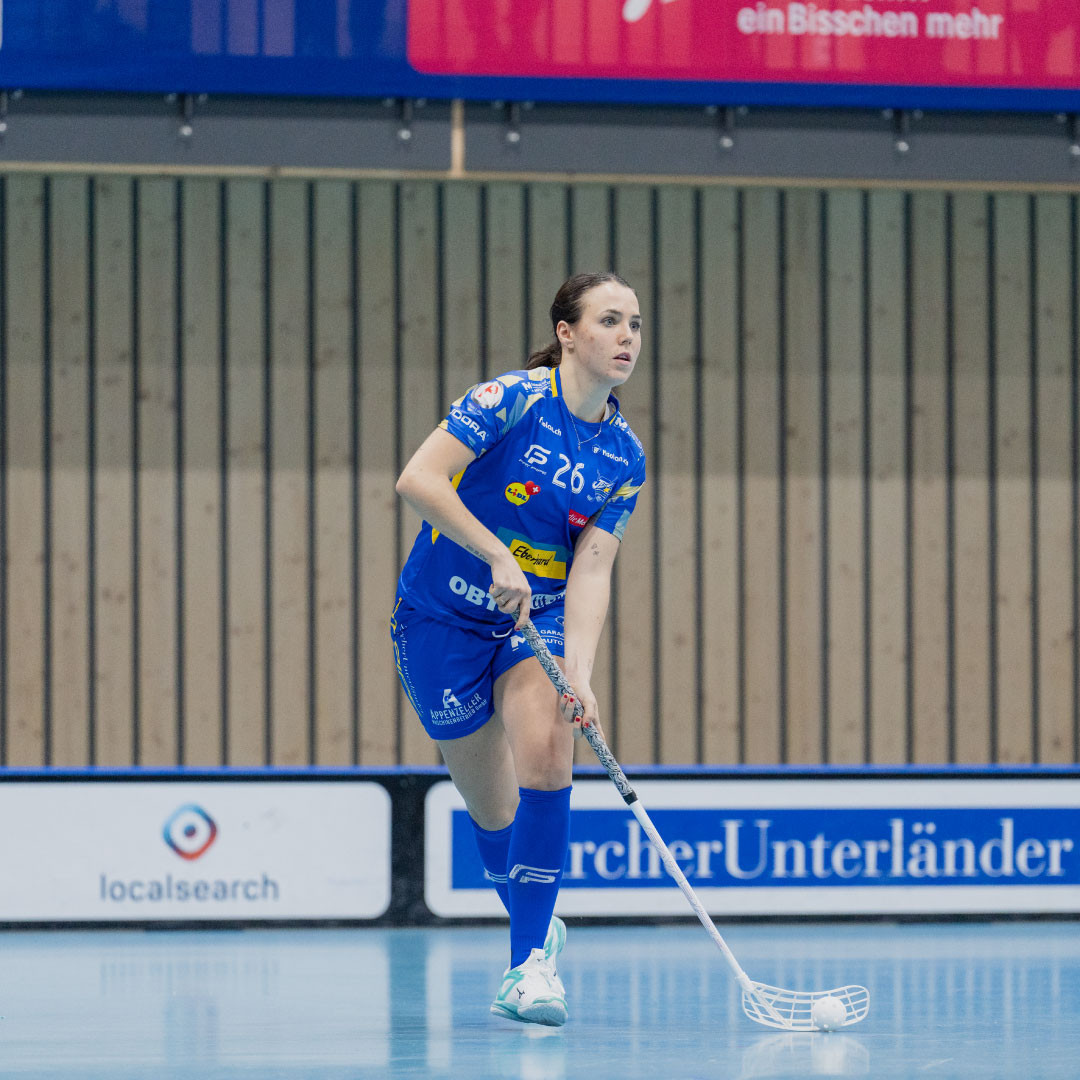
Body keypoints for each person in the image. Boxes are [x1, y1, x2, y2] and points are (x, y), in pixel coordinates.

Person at [392, 271, 646, 1026]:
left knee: (548, 750)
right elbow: (419, 479)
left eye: (636, 323)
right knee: (493, 816)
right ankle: (535, 920)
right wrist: (493, 553)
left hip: (534, 622)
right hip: (438, 617)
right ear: (568, 332)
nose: (628, 336)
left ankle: (528, 967)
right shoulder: (508, 400)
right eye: (610, 320)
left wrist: (580, 673)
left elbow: (593, 570)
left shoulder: (623, 457)